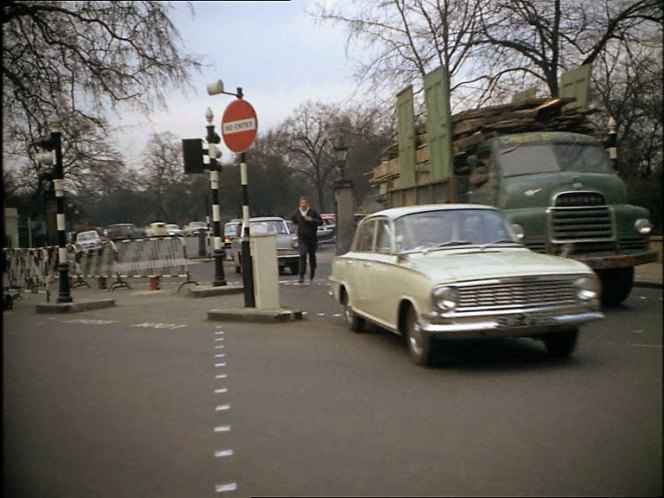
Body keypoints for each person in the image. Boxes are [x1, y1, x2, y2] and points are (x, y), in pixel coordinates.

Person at [291, 196, 323, 284]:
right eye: (301, 203)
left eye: (305, 203)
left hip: (312, 237)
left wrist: (312, 220)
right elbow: (294, 222)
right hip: (302, 238)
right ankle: (301, 276)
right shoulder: (296, 213)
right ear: (299, 204)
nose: (303, 205)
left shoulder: (313, 212)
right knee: (302, 255)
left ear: (308, 204)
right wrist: (295, 229)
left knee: (312, 256)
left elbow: (320, 222)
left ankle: (312, 272)